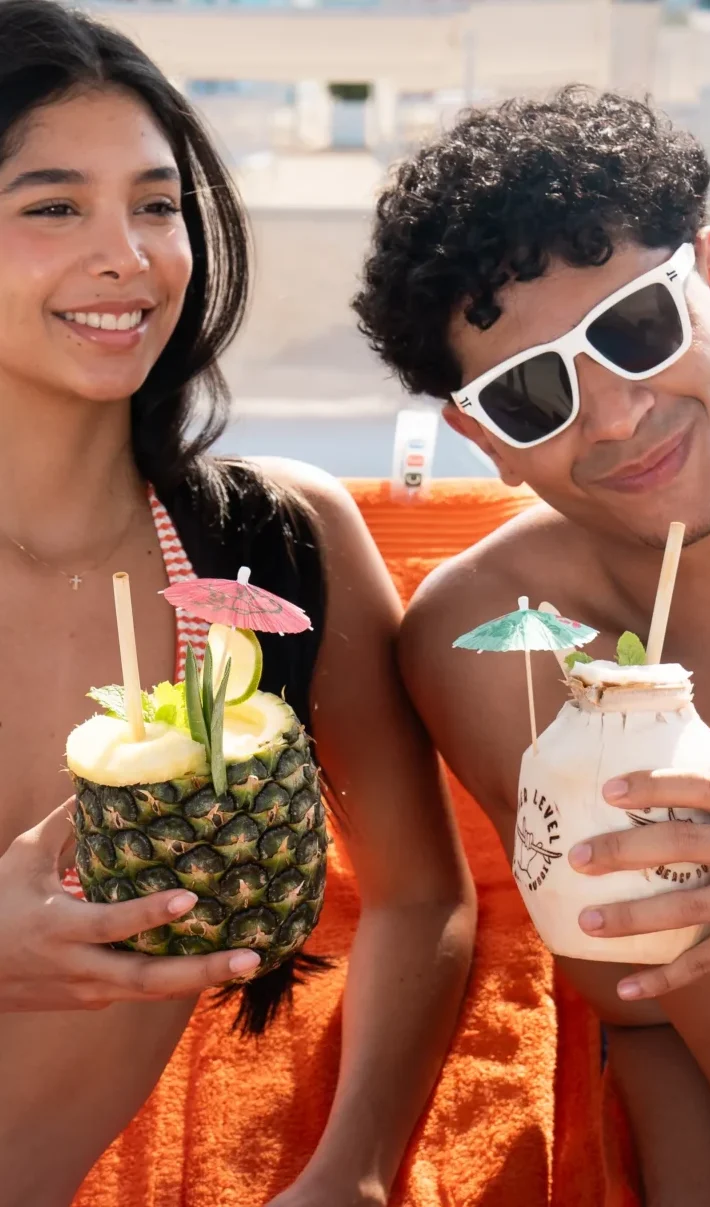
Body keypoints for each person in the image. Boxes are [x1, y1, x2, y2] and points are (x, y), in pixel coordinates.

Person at [0, 3, 476, 1204]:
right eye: (52, 206)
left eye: (157, 204)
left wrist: (353, 1168)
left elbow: (420, 895)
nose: (130, 255)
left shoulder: (272, 546)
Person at [354, 88, 710, 1203]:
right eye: (531, 395)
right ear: (482, 437)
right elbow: (652, 1020)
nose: (617, 415)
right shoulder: (485, 647)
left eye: (637, 326)